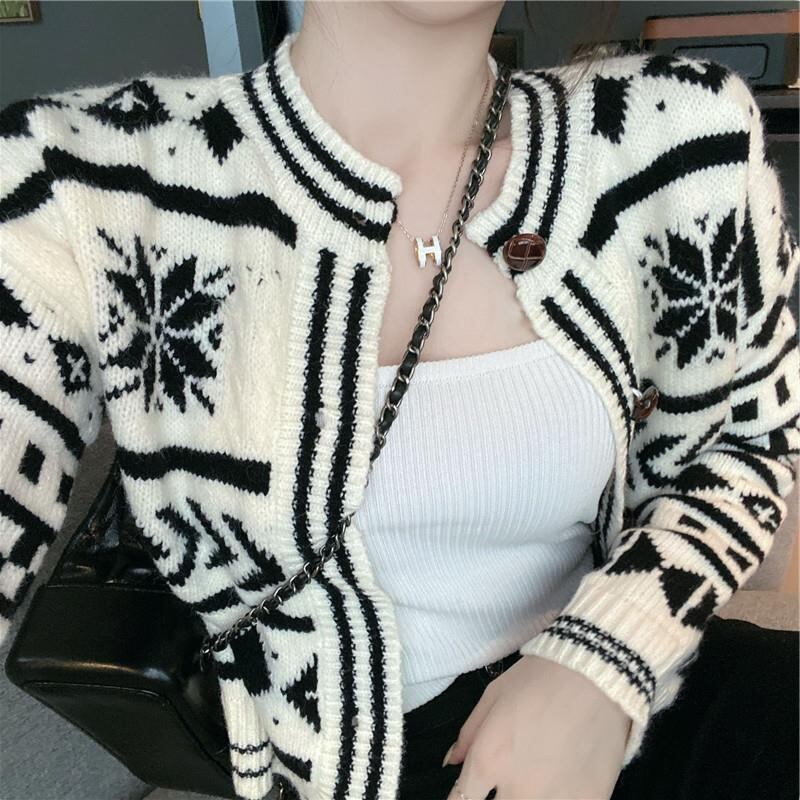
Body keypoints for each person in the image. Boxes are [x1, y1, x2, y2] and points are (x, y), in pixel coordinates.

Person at [1, 2, 798, 800]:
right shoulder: (84, 179)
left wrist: (608, 652)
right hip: (352, 768)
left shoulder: (679, 132)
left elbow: (751, 445)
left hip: (642, 688)